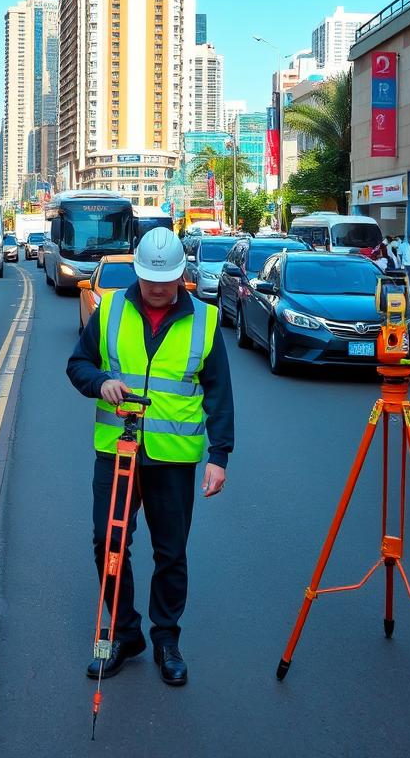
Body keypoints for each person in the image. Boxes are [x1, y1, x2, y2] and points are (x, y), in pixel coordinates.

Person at [67, 228, 234, 687]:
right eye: (149, 280)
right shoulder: (111, 311)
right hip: (117, 452)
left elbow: (219, 392)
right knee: (109, 542)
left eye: (166, 281)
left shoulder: (205, 319)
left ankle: (166, 639)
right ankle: (124, 632)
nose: (157, 289)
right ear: (138, 273)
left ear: (181, 275)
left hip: (173, 457)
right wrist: (100, 382)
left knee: (171, 551)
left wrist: (218, 456)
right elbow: (77, 364)